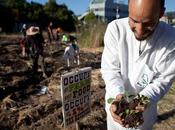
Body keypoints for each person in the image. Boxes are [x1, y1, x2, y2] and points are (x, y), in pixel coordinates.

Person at [101, 0, 175, 130]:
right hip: (114, 108)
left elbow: (162, 80)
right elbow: (110, 70)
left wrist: (141, 101)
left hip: (144, 116)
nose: (140, 31)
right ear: (128, 9)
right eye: (133, 21)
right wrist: (118, 96)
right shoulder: (116, 29)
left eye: (148, 23)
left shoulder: (170, 38)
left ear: (161, 13)